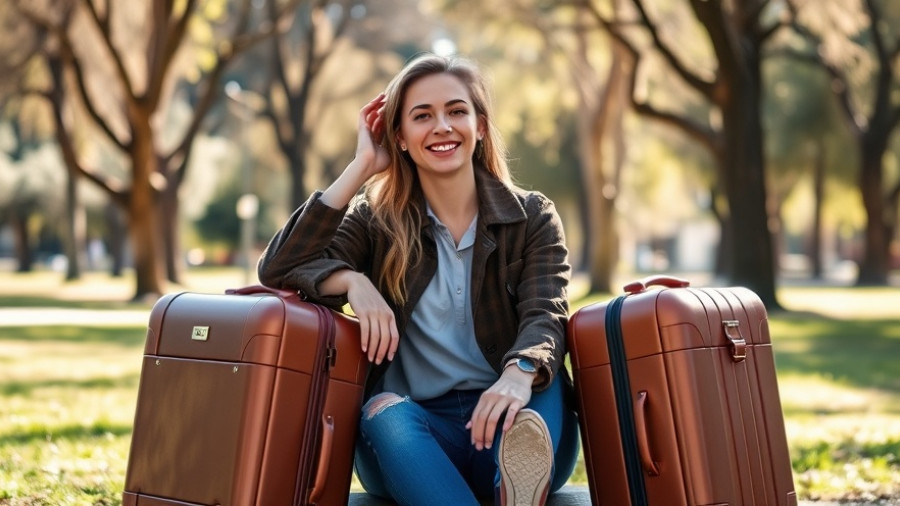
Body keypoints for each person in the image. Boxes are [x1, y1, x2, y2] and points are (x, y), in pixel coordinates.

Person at [257, 52, 579, 506]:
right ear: (401, 138)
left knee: (532, 409)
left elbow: (546, 312)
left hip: (512, 405)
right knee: (383, 415)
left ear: (480, 127)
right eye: (422, 116)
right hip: (415, 427)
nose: (442, 127)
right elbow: (279, 267)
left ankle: (514, 472)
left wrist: (518, 372)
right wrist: (352, 278)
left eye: (456, 111)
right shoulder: (376, 221)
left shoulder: (532, 217)